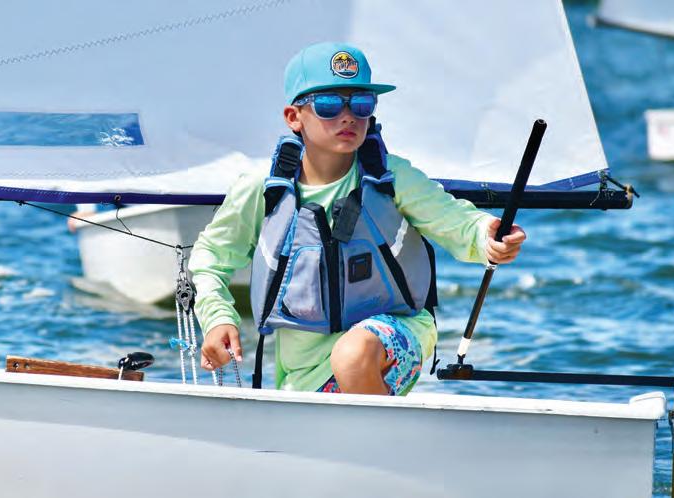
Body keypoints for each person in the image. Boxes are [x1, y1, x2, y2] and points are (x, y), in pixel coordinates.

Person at [188, 42, 525, 395]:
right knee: (337, 378)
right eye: (329, 105)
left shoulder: (393, 177)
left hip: (398, 332)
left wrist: (488, 235)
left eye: (361, 104)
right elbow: (211, 257)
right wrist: (218, 318)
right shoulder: (261, 189)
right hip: (304, 369)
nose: (348, 116)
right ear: (293, 117)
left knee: (353, 354)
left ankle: (375, 428)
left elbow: (455, 221)